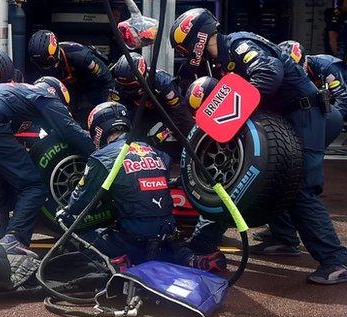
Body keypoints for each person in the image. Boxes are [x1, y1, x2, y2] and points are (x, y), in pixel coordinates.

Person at [171, 8, 347, 284]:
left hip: (305, 114)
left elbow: (268, 74)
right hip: (286, 116)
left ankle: (335, 260)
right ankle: (277, 238)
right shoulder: (222, 62)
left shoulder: (240, 44)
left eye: (183, 44)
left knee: (300, 188)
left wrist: (235, 116)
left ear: (198, 36)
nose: (183, 50)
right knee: (258, 179)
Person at [0, 50, 95, 257]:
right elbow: (70, 132)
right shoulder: (46, 96)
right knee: (34, 186)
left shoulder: (14, 90)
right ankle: (15, 238)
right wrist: (100, 153)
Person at [55, 102, 226, 272]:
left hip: (133, 240)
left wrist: (68, 210)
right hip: (166, 236)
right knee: (169, 245)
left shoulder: (102, 157)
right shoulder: (155, 151)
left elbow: (78, 204)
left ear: (99, 129)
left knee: (71, 225)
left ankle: (113, 264)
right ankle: (189, 259)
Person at [247, 40, 346, 256]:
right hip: (305, 118)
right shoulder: (281, 65)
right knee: (278, 171)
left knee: (301, 184)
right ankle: (283, 236)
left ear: (304, 60)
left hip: (326, 119)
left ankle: (334, 258)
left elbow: (343, 101)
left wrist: (321, 123)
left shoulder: (329, 66)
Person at [109, 52, 195, 153]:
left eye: (131, 85)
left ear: (143, 76)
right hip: (143, 112)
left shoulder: (164, 83)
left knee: (182, 134)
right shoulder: (117, 84)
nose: (126, 88)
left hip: (169, 111)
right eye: (123, 85)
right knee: (133, 136)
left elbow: (181, 115)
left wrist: (161, 135)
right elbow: (116, 111)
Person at [27, 29, 115, 125]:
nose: (46, 67)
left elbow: (106, 79)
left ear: (56, 53)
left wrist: (108, 106)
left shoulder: (81, 57)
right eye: (41, 64)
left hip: (94, 85)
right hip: (69, 88)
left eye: (48, 62)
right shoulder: (38, 63)